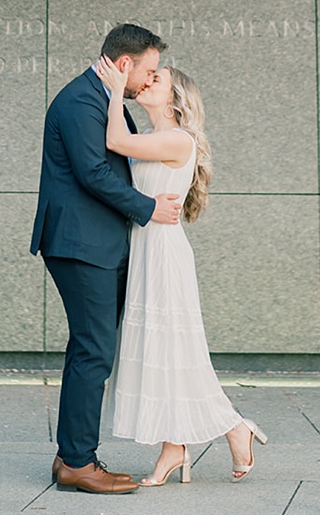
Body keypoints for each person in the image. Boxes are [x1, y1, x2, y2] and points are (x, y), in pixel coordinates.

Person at [93, 54, 267, 485]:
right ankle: (175, 448)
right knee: (161, 354)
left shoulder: (179, 140)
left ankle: (233, 426)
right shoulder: (154, 134)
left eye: (158, 78)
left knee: (179, 353)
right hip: (146, 251)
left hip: (165, 257)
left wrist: (115, 90)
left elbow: (115, 141)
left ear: (175, 99)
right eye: (149, 75)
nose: (148, 81)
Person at [31, 23, 184, 494]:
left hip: (97, 244)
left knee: (90, 348)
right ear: (124, 64)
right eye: (149, 70)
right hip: (80, 246)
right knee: (94, 350)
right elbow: (93, 172)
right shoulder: (81, 101)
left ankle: (71, 455)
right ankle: (78, 462)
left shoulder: (102, 99)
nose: (150, 79)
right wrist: (150, 209)